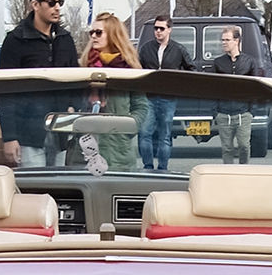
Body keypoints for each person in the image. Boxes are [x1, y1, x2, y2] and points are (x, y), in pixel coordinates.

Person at [0, 0, 78, 167]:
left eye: (60, 2)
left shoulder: (65, 39)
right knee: (35, 191)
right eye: (51, 3)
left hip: (62, 130)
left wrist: (75, 107)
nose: (57, 7)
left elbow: (77, 82)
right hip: (28, 133)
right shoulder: (15, 40)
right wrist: (9, 137)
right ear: (35, 4)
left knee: (63, 190)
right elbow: (5, 91)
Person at [79, 12, 149, 173]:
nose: (93, 37)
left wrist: (125, 130)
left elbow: (141, 107)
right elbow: (73, 103)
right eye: (91, 33)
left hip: (118, 151)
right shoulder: (83, 67)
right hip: (85, 150)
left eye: (98, 32)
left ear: (112, 35)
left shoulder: (129, 69)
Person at [136, 14, 193, 171]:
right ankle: (147, 167)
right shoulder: (146, 48)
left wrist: (179, 86)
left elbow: (192, 70)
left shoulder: (179, 49)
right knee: (144, 133)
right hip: (148, 97)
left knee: (165, 136)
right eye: (156, 28)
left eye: (162, 28)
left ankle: (162, 169)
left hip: (168, 98)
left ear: (169, 30)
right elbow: (136, 71)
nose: (158, 31)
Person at [212, 25, 260, 164]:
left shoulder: (249, 62)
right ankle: (228, 174)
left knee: (244, 146)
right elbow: (211, 88)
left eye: (227, 39)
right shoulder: (218, 63)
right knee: (227, 148)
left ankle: (243, 171)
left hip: (243, 112)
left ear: (236, 41)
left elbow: (256, 87)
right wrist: (215, 111)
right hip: (223, 112)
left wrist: (252, 110)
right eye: (222, 40)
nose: (224, 43)